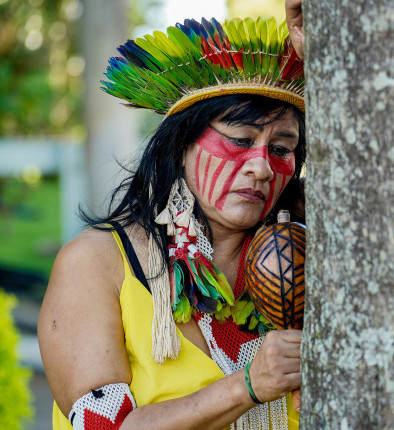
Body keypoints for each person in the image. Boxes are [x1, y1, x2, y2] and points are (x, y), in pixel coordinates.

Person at [38, 2, 308, 429]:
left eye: (281, 149)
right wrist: (247, 387)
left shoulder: (307, 258)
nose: (261, 167)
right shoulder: (96, 262)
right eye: (240, 139)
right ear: (179, 146)